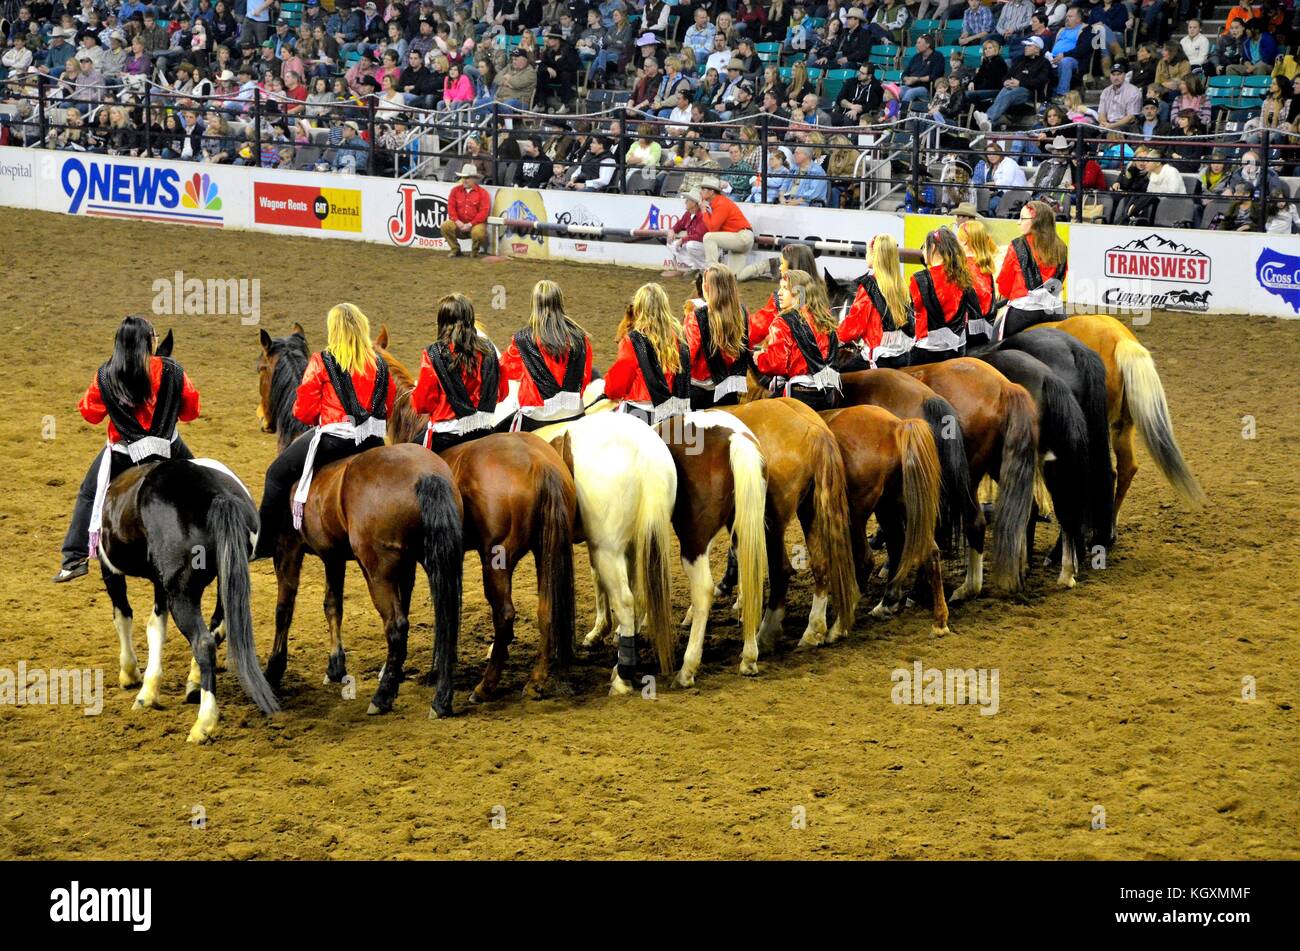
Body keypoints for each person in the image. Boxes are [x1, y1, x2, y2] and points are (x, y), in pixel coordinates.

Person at [55, 316, 200, 582]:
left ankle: (73, 557)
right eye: (154, 335)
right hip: (169, 449)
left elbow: (90, 414)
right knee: (203, 484)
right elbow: (192, 412)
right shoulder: (173, 370)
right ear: (149, 341)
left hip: (123, 454)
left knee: (88, 494)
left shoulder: (106, 374)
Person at [254, 304, 395, 560]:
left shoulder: (322, 361)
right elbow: (389, 402)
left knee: (276, 474)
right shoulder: (379, 363)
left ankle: (263, 544)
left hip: (334, 441)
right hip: (373, 441)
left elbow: (303, 411)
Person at [413, 293, 511, 452]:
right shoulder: (489, 350)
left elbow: (423, 404)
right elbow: (502, 392)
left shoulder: (433, 354)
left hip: (446, 435)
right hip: (483, 430)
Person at [500, 280, 594, 431]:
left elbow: (508, 370)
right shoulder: (580, 338)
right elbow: (586, 375)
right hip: (574, 411)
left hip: (536, 415)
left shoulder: (523, 339)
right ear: (560, 303)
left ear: (535, 304)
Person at [604, 283, 691, 425]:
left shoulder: (633, 340)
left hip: (639, 411)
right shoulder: (680, 336)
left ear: (639, 308)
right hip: (675, 413)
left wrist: (608, 391)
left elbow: (617, 385)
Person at [754, 269, 842, 409]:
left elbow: (776, 364)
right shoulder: (825, 318)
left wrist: (760, 358)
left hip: (799, 394)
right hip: (828, 394)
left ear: (798, 292)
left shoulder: (783, 322)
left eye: (785, 289)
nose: (779, 293)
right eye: (780, 288)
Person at [837, 234, 915, 371]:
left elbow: (854, 326)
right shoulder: (902, 286)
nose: (866, 256)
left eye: (868, 252)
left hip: (877, 358)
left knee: (839, 376)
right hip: (903, 356)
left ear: (875, 256)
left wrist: (833, 336)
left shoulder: (869, 286)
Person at [996, 200, 1068, 338]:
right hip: (1054, 310)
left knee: (995, 343)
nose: (1018, 222)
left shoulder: (1017, 246)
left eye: (1022, 219)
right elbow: (1062, 277)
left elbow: (1005, 283)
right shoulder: (1062, 247)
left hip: (1024, 311)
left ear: (1036, 221)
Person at [683, 264, 751, 408]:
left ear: (706, 287)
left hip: (699, 391)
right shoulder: (742, 313)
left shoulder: (696, 317)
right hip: (729, 391)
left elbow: (688, 356)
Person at [909, 228, 979, 365]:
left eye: (924, 246)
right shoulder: (963, 275)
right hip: (958, 347)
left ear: (933, 247)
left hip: (928, 349)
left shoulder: (919, 278)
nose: (923, 251)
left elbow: (913, 313)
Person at [747, 242, 820, 340]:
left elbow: (756, 328)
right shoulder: (823, 293)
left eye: (782, 263)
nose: (780, 267)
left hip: (787, 350)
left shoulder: (782, 297)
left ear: (792, 268)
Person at [955, 218, 1001, 347]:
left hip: (966, 331)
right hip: (985, 327)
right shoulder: (985, 266)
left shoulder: (962, 267)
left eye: (958, 238)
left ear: (964, 241)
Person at [698, 176, 756, 270]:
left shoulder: (721, 203)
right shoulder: (717, 202)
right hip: (741, 237)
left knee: (708, 237)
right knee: (735, 276)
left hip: (742, 236)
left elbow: (712, 229)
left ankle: (711, 272)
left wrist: (704, 211)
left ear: (711, 192)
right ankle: (767, 265)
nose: (700, 192)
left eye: (703, 189)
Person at [441, 163, 491, 256]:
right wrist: (457, 221)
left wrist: (470, 224)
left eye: (467, 178)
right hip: (459, 224)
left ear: (474, 179)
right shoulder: (455, 190)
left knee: (478, 232)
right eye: (463, 177)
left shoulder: (483, 193)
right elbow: (451, 208)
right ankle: (455, 249)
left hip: (474, 225)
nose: (464, 180)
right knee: (445, 226)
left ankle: (474, 251)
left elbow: (483, 213)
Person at [664, 190, 709, 277]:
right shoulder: (689, 213)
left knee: (691, 245)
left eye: (687, 200)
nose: (685, 202)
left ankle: (705, 270)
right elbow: (680, 224)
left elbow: (700, 236)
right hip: (699, 245)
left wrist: (683, 239)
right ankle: (696, 267)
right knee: (671, 244)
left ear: (693, 203)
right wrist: (672, 230)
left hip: (705, 245)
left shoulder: (702, 215)